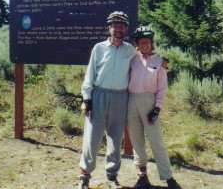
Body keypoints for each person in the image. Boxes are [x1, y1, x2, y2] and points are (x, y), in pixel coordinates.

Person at [78, 11, 136, 189]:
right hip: (99, 95)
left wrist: (161, 63)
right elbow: (90, 75)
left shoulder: (130, 50)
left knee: (115, 139)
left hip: (120, 97)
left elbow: (145, 63)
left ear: (126, 29)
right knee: (92, 139)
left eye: (121, 26)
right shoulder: (99, 48)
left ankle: (112, 176)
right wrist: (86, 99)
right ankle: (84, 177)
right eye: (115, 25)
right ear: (109, 27)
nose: (118, 29)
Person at [127, 26, 182, 189]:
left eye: (148, 41)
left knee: (156, 141)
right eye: (141, 41)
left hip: (149, 102)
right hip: (131, 101)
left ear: (152, 43)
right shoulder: (132, 60)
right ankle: (142, 176)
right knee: (137, 141)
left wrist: (157, 108)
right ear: (136, 43)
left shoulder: (159, 62)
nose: (144, 44)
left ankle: (169, 178)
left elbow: (163, 88)